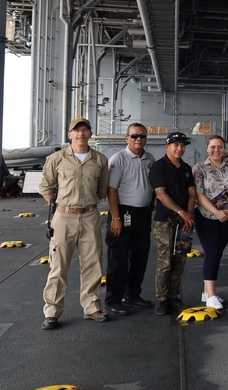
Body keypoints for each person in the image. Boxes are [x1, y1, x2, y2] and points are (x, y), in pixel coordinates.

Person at [39, 117, 110, 330]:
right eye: (76, 131)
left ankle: (91, 307)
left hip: (90, 216)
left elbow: (102, 189)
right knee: (58, 265)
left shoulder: (100, 160)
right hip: (63, 217)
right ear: (70, 135)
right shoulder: (56, 159)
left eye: (85, 130)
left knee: (92, 263)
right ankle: (52, 312)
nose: (81, 134)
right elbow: (46, 187)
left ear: (90, 134)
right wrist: (63, 205)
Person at [104, 122, 156, 315]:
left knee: (140, 257)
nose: (138, 139)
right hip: (122, 213)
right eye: (134, 136)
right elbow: (111, 190)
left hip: (142, 214)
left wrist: (151, 204)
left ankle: (133, 295)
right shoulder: (119, 159)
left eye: (142, 136)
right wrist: (116, 218)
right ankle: (113, 300)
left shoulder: (149, 158)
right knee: (118, 258)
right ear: (127, 138)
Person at [149, 131, 197, 316]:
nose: (180, 148)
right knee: (165, 262)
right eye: (176, 145)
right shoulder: (158, 167)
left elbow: (192, 194)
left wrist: (189, 215)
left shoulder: (186, 168)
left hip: (184, 223)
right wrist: (181, 212)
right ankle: (162, 299)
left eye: (183, 145)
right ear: (167, 147)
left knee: (180, 261)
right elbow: (160, 194)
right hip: (165, 223)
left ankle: (174, 296)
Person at [193, 135, 228, 310]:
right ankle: (211, 295)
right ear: (207, 148)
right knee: (212, 253)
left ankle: (207, 291)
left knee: (217, 253)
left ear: (224, 148)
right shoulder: (199, 168)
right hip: (207, 216)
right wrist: (217, 212)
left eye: (220, 147)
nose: (216, 150)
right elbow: (199, 194)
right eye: (213, 147)